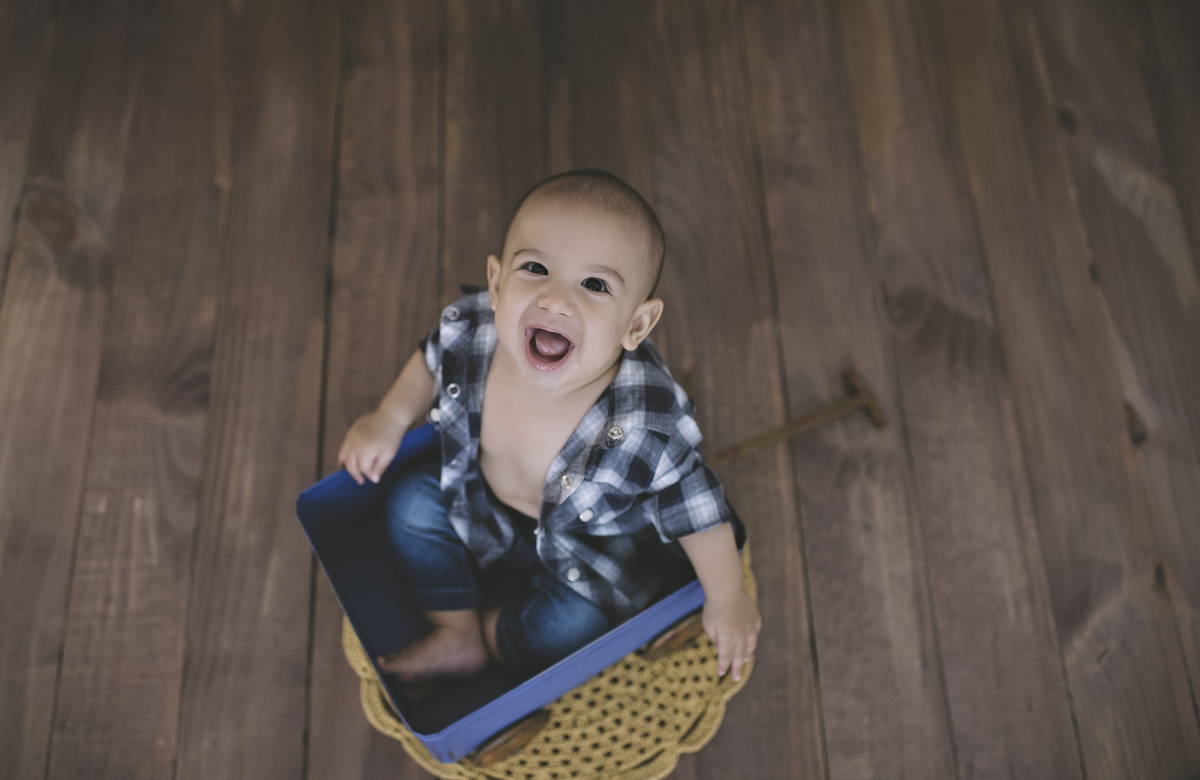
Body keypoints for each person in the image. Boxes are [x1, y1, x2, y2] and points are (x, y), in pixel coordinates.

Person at [337, 169, 761, 689]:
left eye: (595, 284)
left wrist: (726, 597)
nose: (557, 300)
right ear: (496, 284)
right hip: (481, 509)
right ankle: (457, 630)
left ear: (636, 326)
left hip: (586, 553)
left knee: (573, 628)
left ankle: (493, 636)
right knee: (408, 504)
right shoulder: (474, 331)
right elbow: (430, 360)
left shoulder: (643, 422)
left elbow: (697, 510)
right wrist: (388, 417)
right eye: (535, 268)